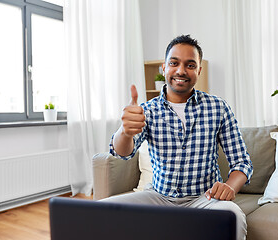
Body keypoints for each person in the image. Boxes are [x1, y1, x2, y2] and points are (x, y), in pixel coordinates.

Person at [106, 34, 253, 240]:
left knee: (233, 216)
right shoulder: (146, 110)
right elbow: (122, 153)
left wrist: (229, 186)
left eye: (190, 65)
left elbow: (242, 163)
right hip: (158, 197)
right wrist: (125, 131)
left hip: (205, 198)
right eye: (174, 63)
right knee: (102, 212)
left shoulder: (218, 107)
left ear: (199, 71)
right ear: (164, 68)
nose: (181, 71)